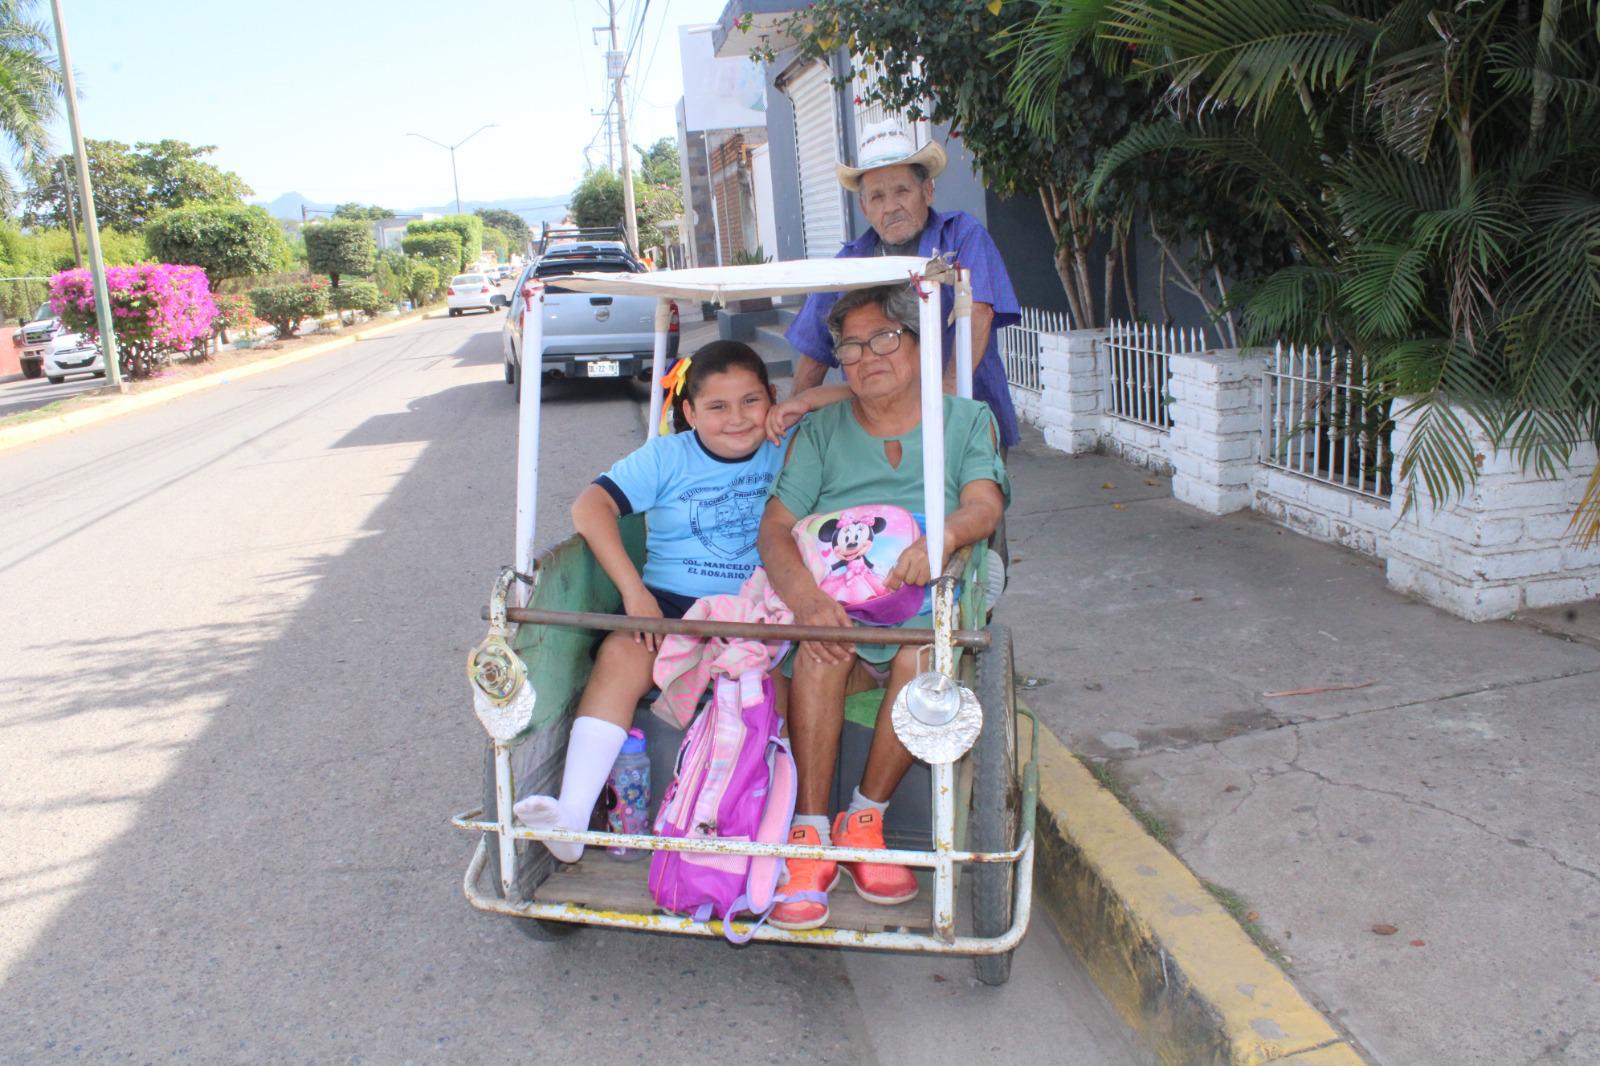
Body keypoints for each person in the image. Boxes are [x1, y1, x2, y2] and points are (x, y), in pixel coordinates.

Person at [756, 283, 1009, 930]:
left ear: (920, 346)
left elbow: (984, 506)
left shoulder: (964, 422)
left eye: (886, 339)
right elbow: (776, 527)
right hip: (838, 602)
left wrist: (945, 535)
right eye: (850, 346)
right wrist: (808, 600)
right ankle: (810, 837)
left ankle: (864, 819)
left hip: (920, 612)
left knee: (921, 652)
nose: (867, 357)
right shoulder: (821, 431)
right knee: (820, 646)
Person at [514, 341, 797, 862]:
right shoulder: (668, 455)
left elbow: (856, 404)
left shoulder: (792, 445)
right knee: (619, 654)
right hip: (669, 609)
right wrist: (633, 591)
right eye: (716, 406)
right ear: (688, 412)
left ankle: (776, 826)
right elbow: (589, 506)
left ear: (773, 401)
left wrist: (798, 409)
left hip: (761, 612)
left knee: (782, 684)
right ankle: (574, 816)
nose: (736, 419)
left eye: (751, 402)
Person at [785, 120, 1023, 453]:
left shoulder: (963, 235)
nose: (890, 206)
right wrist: (790, 433)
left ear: (928, 191)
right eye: (877, 197)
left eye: (902, 191)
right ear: (865, 207)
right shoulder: (849, 263)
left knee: (973, 503)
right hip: (878, 430)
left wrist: (946, 402)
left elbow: (978, 312)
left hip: (965, 417)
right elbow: (814, 349)